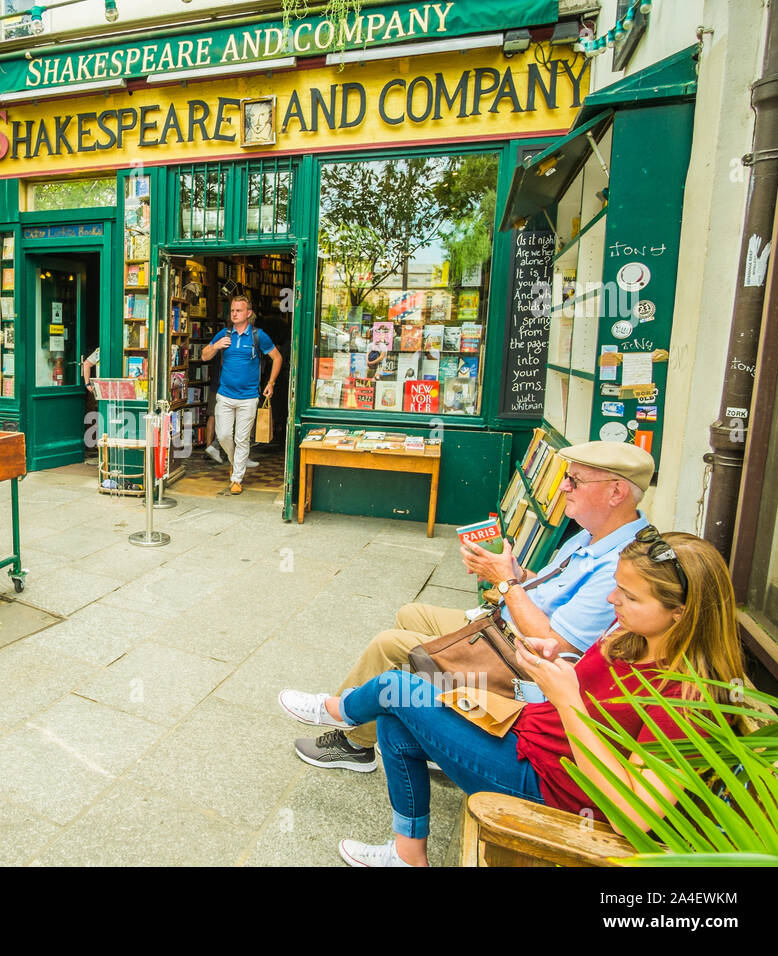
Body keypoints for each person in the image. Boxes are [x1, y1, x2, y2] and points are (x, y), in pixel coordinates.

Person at [279, 530, 747, 866]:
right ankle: (408, 856)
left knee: (393, 688)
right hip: (524, 729)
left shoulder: (688, 700)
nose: (612, 602)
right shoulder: (631, 635)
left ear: (680, 615)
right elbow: (589, 692)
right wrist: (548, 663)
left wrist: (568, 701)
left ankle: (334, 711)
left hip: (550, 785)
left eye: (627, 595)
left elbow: (633, 813)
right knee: (395, 718)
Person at [289, 441, 656, 773]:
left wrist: (505, 583)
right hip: (500, 624)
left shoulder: (619, 566)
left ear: (616, 492)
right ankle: (406, 723)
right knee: (409, 614)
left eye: (575, 481)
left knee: (389, 644)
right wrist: (515, 572)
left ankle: (356, 742)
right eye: (565, 478)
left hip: (515, 659)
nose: (563, 487)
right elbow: (543, 589)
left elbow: (554, 644)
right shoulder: (594, 535)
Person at [200, 295, 281, 494]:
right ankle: (236, 461)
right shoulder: (224, 333)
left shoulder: (258, 335)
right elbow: (203, 355)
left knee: (242, 438)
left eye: (238, 310)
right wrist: (216, 346)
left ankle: (236, 478)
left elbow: (277, 357)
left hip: (248, 397)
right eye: (232, 310)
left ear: (248, 314)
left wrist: (271, 383)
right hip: (225, 395)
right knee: (224, 435)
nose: (234, 314)